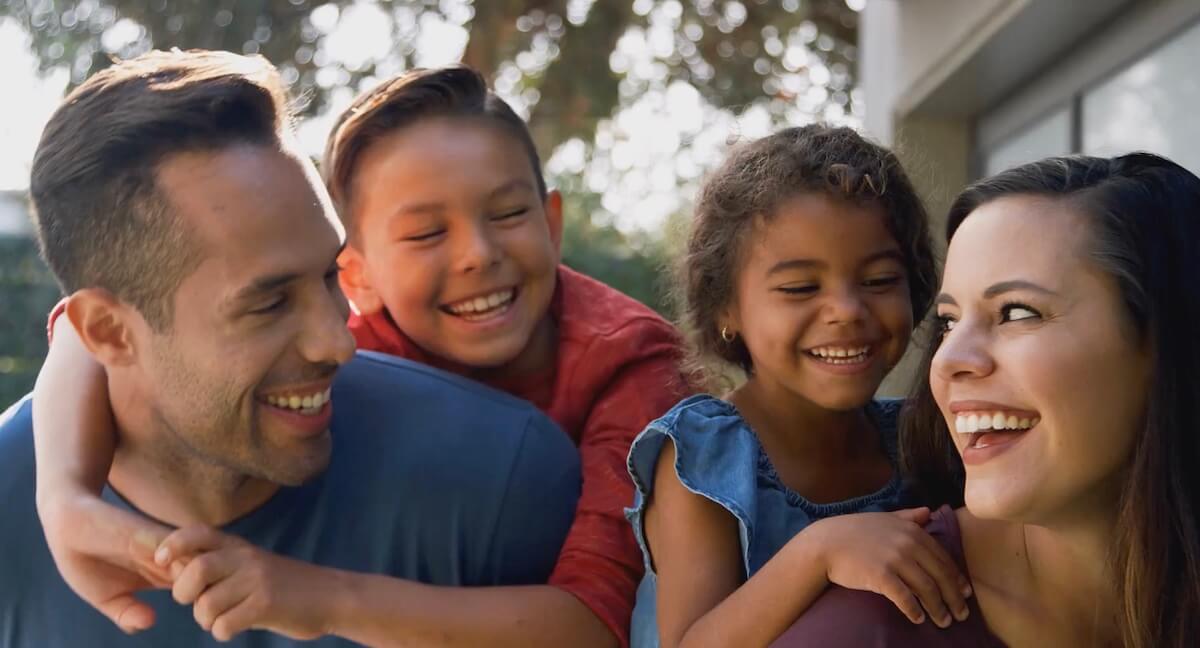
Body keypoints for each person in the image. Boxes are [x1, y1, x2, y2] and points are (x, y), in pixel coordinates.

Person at [33, 64, 685, 647]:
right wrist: (64, 499)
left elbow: (600, 622)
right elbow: (89, 332)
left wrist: (316, 598)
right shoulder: (367, 329)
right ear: (359, 273)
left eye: (509, 213)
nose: (478, 255)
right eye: (427, 232)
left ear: (552, 222)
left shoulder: (634, 367)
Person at [773, 153, 1200, 647]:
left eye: (1017, 312)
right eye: (949, 321)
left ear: (1170, 341)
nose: (947, 358)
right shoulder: (868, 628)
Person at [626, 125, 971, 648]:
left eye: (879, 281)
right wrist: (820, 552)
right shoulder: (705, 460)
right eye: (799, 288)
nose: (847, 312)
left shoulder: (923, 438)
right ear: (726, 308)